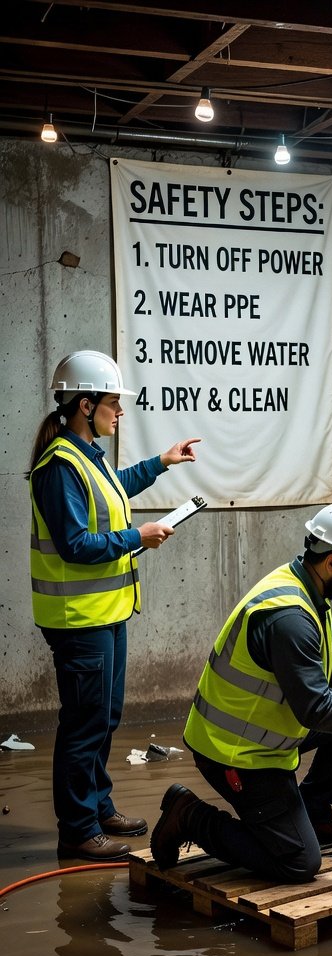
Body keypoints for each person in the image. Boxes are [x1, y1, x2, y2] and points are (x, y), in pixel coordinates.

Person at [150, 502, 332, 883]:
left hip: (260, 736)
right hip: (234, 752)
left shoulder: (306, 590)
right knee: (300, 862)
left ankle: (313, 812)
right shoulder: (290, 618)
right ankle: (189, 815)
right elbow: (316, 709)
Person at [29, 349, 200, 862]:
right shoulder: (59, 465)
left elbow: (114, 490)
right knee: (84, 724)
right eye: (112, 403)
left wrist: (161, 463)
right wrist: (136, 537)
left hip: (106, 614)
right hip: (78, 620)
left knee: (105, 718)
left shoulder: (87, 456)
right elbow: (75, 544)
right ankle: (78, 830)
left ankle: (98, 807)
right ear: (85, 405)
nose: (120, 411)